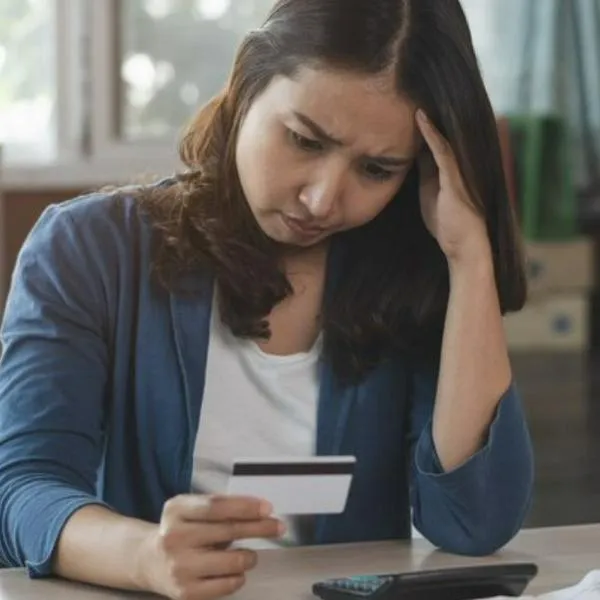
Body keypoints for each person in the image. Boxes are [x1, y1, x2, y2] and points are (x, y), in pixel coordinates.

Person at [0, 0, 534, 598]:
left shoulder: (408, 275)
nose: (324, 199)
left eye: (378, 169)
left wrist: (470, 258)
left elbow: (474, 523)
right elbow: (22, 490)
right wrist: (143, 556)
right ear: (246, 86)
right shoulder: (88, 248)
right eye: (304, 140)